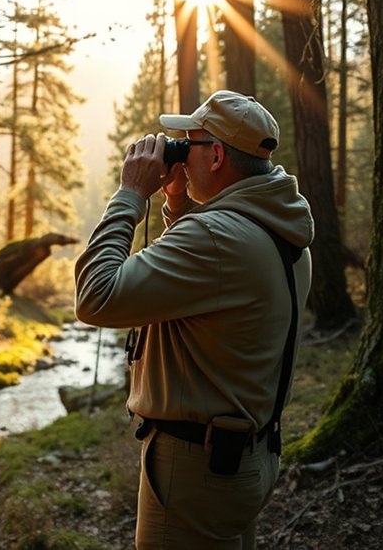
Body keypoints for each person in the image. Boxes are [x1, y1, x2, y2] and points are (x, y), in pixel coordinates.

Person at [74, 90, 314, 549]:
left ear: (218, 155)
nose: (177, 150)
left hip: (193, 471)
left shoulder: (217, 237)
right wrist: (180, 205)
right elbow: (204, 293)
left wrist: (129, 195)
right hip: (248, 459)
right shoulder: (281, 229)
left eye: (189, 143)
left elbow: (95, 297)